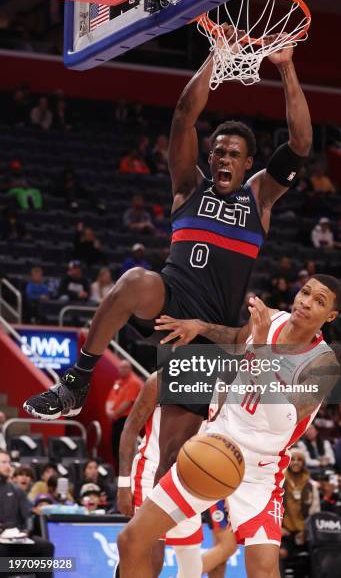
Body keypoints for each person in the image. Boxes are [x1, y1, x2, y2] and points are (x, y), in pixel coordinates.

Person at [23, 41, 313, 495]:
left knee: (173, 462)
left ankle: (149, 545)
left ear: (248, 163)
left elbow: (300, 143)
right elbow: (183, 115)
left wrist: (288, 68)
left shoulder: (259, 198)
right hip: (170, 298)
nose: (222, 158)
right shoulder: (187, 185)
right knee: (135, 280)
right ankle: (76, 381)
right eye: (217, 151)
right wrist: (218, 53)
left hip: (209, 330)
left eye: (233, 153)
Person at [117, 275, 341, 577]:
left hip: (259, 471)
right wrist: (201, 327)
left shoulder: (324, 364)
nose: (306, 302)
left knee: (263, 572)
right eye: (305, 292)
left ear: (331, 316)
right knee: (131, 540)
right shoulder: (271, 318)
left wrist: (261, 351)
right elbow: (238, 339)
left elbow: (284, 422)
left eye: (319, 301)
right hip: (214, 447)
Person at [118, 372, 236, 578]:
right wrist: (123, 483)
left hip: (188, 477)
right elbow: (130, 429)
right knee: (150, 559)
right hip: (151, 472)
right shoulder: (159, 380)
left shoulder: (221, 389)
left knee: (191, 568)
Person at [0, 450, 55, 578]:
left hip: (15, 539)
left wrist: (26, 532)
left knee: (46, 546)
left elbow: (28, 517)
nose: (8, 466)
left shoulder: (16, 490)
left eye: (9, 462)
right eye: (3, 462)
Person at [105, 360, 143, 468]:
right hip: (116, 420)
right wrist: (108, 412)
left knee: (125, 449)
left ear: (130, 369)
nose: (122, 370)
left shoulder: (134, 382)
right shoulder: (117, 382)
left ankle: (127, 474)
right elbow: (110, 399)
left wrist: (114, 413)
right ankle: (118, 473)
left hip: (126, 420)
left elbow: (128, 402)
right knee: (115, 448)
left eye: (125, 368)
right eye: (120, 368)